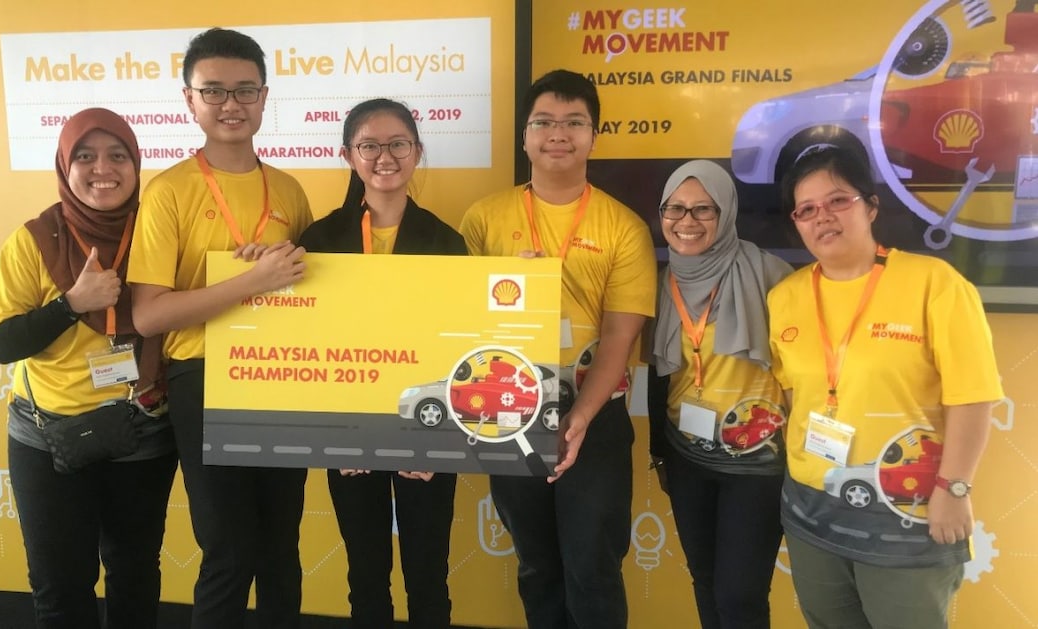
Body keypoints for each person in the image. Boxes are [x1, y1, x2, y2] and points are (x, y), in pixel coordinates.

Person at [126, 28, 313, 629]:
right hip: (204, 379)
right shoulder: (169, 192)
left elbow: (311, 294)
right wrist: (247, 284)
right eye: (214, 91)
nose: (231, 104)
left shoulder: (287, 189)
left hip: (283, 378)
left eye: (244, 90)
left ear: (264, 97)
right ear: (189, 100)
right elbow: (149, 314)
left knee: (282, 549)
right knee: (229, 552)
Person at [769, 146, 1002, 629]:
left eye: (838, 201)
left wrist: (953, 489)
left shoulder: (933, 283)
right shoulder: (785, 297)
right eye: (806, 209)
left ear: (871, 206)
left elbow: (973, 397)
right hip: (812, 511)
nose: (822, 218)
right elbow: (794, 397)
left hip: (910, 511)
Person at [459, 69, 657, 629]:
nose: (558, 134)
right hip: (508, 410)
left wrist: (580, 418)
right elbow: (460, 325)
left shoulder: (623, 227)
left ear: (594, 135)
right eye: (543, 122)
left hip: (593, 414)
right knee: (536, 564)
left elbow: (621, 334)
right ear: (524, 135)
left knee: (593, 566)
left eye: (574, 123)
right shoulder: (483, 219)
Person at [0, 107, 177, 628]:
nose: (102, 168)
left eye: (118, 155)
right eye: (84, 156)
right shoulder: (33, 240)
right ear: (64, 166)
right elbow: (0, 344)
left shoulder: (162, 231)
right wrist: (71, 302)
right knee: (61, 585)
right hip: (48, 436)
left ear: (136, 164)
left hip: (143, 430)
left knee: (134, 575)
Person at [298, 98, 464, 629]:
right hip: (349, 436)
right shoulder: (320, 242)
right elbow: (305, 346)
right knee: (365, 574)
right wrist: (334, 438)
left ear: (417, 152)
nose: (384, 157)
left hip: (428, 431)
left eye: (398, 144)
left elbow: (459, 345)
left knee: (427, 574)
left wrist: (438, 445)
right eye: (370, 145)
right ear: (348, 154)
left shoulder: (446, 241)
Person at [645, 160, 792, 629]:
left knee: (741, 596)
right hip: (688, 457)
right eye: (676, 209)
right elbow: (658, 373)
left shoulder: (772, 276)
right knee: (704, 581)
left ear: (726, 211)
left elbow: (802, 372)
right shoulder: (658, 281)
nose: (687, 222)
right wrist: (660, 452)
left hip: (758, 464)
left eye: (702, 209)